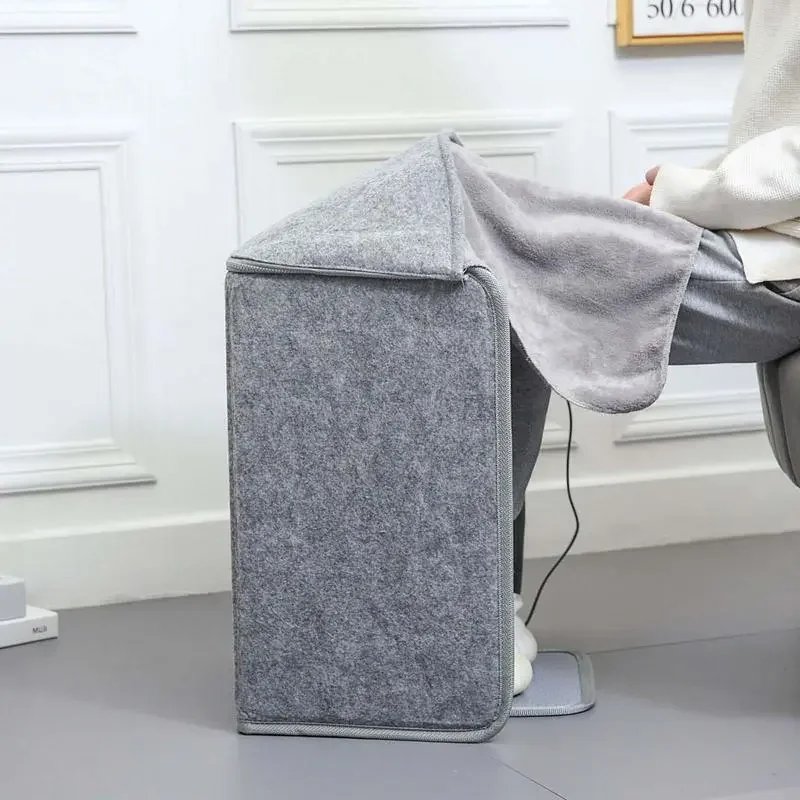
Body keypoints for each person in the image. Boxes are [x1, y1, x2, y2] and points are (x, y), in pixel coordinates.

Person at [513, 0, 800, 695]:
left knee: (518, 297)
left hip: (784, 256)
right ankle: (477, 610)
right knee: (510, 282)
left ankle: (476, 616)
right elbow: (772, 136)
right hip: (771, 237)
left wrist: (682, 192)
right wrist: (684, 192)